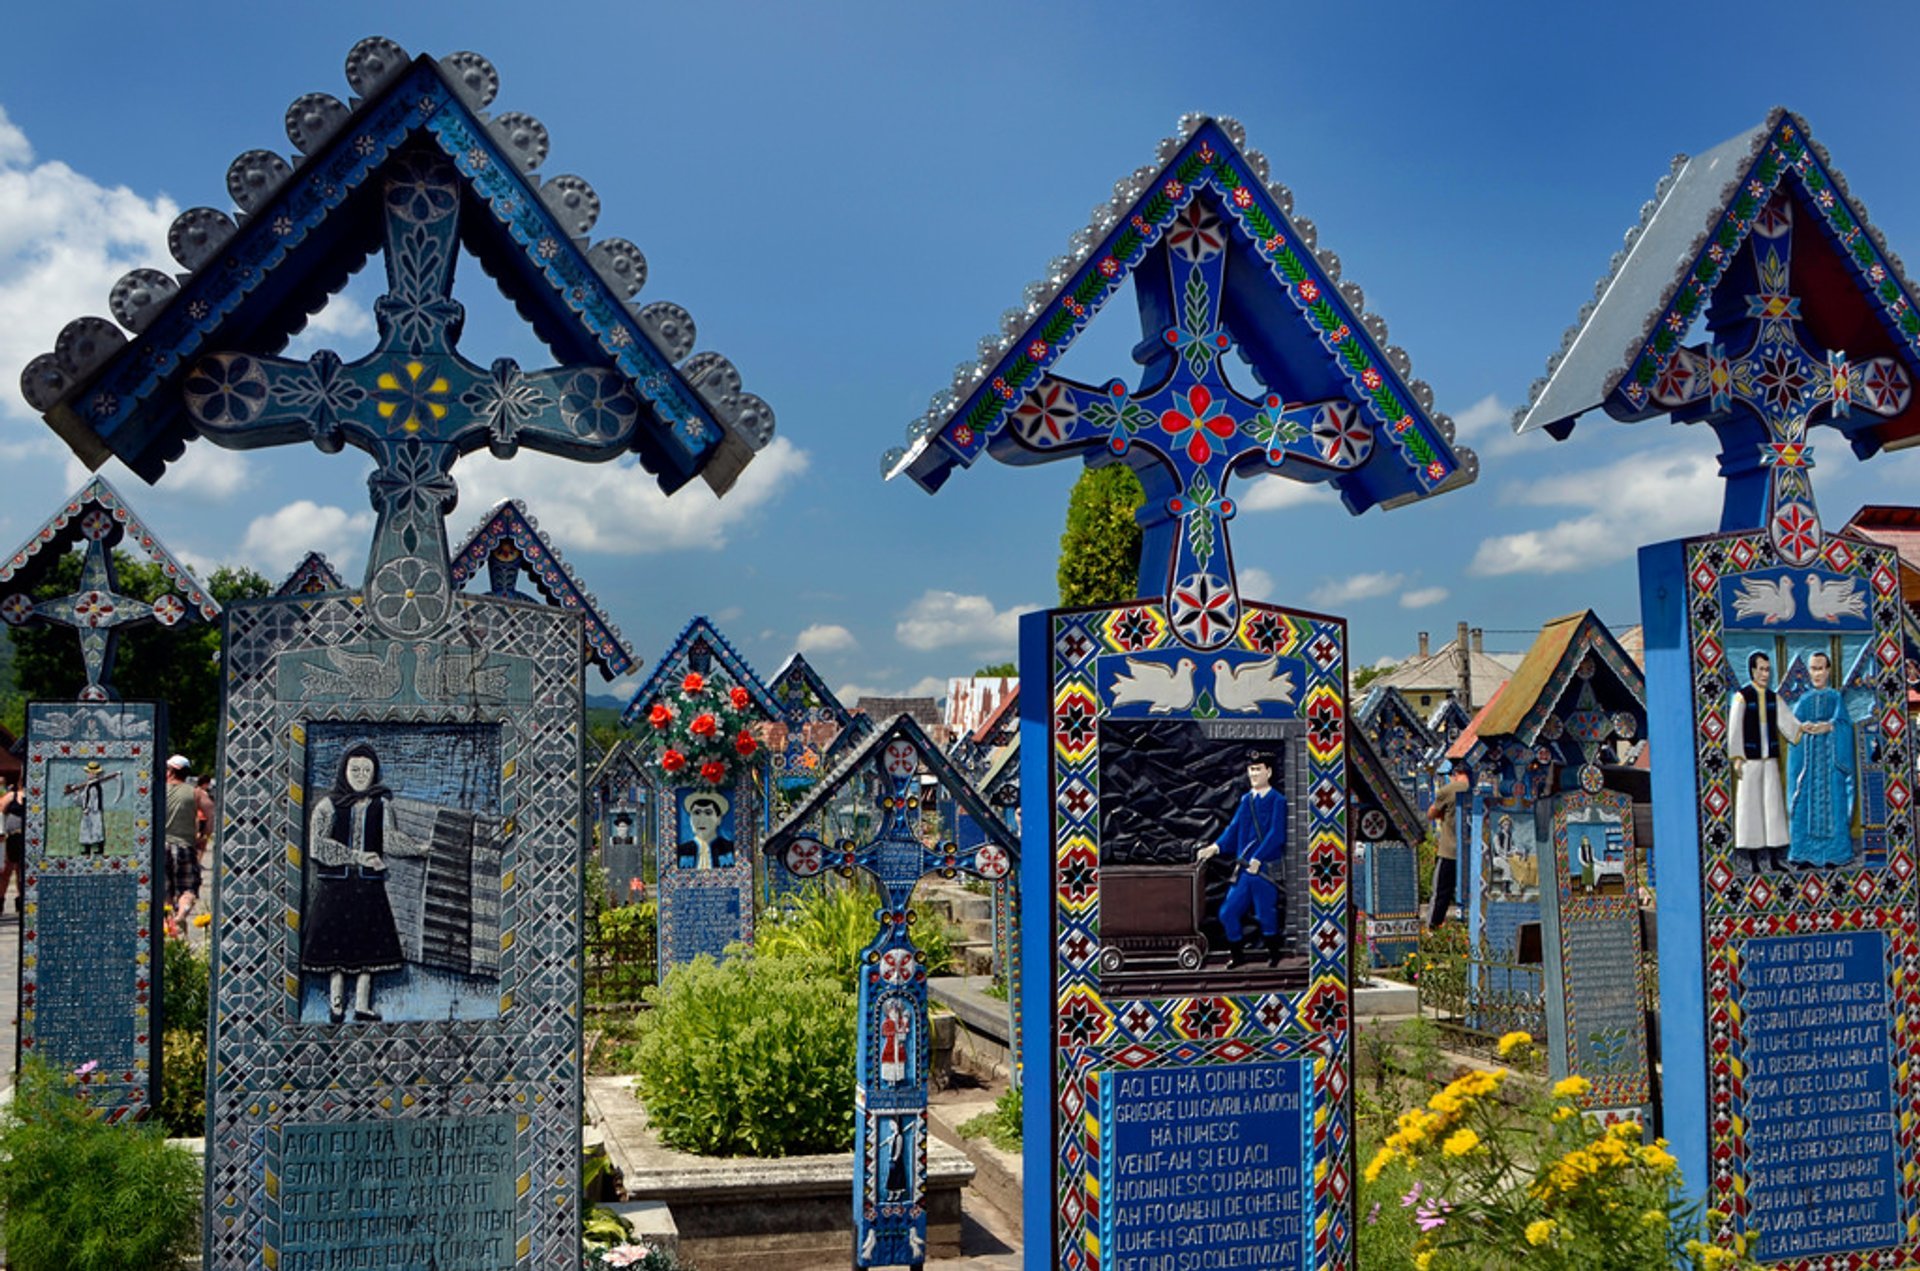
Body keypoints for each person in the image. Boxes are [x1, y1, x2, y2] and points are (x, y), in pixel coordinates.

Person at [300, 742, 433, 1024]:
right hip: (336, 887)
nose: (360, 775)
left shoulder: (380, 805)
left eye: (366, 770)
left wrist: (418, 848)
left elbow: (389, 839)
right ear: (343, 770)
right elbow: (317, 846)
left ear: (375, 773)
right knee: (335, 947)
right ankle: (336, 1004)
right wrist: (355, 856)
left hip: (369, 888)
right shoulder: (328, 805)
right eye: (355, 769)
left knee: (367, 947)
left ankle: (362, 1004)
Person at [1195, 750, 1288, 968]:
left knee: (1266, 914)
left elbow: (1277, 834)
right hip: (1244, 869)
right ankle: (1237, 955)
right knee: (1228, 912)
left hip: (1264, 870)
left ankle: (1274, 956)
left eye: (1258, 769)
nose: (1254, 774)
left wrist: (1258, 858)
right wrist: (1215, 848)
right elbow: (1234, 828)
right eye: (1251, 769)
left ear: (1269, 771)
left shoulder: (1277, 800)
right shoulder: (1247, 800)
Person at [1728, 651, 1813, 873]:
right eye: (1762, 669)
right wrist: (1737, 757)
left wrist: (1802, 728)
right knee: (1752, 808)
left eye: (1768, 669)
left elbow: (1788, 722)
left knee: (1773, 808)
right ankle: (1755, 862)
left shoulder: (1774, 698)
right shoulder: (1742, 697)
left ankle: (1775, 859)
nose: (1765, 673)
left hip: (1770, 760)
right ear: (1753, 671)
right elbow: (1735, 728)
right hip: (1750, 760)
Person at [1787, 650, 1853, 867]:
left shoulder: (1835, 698)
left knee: (1835, 805)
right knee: (1803, 804)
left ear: (1828, 670)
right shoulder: (1804, 700)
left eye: (1820, 668)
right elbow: (1793, 729)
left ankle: (1835, 855)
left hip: (1831, 762)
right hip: (1808, 763)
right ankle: (1804, 853)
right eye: (1813, 669)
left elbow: (1844, 725)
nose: (1816, 673)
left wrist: (1830, 726)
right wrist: (1803, 728)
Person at [164, 756, 216, 925]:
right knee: (188, 888)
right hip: (185, 846)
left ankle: (168, 923)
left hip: (160, 847)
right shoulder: (196, 793)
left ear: (171, 771)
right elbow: (210, 814)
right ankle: (181, 915)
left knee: (165, 889)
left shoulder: (158, 790)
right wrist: (204, 837)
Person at [1426, 762, 1471, 930]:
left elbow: (1431, 814)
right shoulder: (1475, 790)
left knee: (1441, 892)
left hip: (1449, 850)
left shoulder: (1448, 790)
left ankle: (1433, 927)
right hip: (1471, 851)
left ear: (1454, 773)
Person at [62, 760, 120, 856]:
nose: (88, 775)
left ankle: (100, 849)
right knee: (86, 829)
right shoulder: (88, 786)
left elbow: (93, 800)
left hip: (94, 812)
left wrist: (87, 808)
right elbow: (83, 799)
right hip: (87, 813)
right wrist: (77, 794)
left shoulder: (94, 787)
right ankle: (87, 849)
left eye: (90, 773)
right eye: (88, 773)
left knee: (96, 829)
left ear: (94, 774)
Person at [675, 792, 735, 870]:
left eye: (708, 813)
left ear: (719, 819)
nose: (702, 820)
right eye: (697, 813)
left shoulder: (730, 849)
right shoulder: (681, 851)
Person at [0, 781, 22, 916]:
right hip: (11, 837)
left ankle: (21, 903)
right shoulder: (11, 796)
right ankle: (0, 900)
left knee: (21, 873)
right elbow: (0, 811)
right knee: (6, 872)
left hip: (26, 839)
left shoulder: (33, 796)